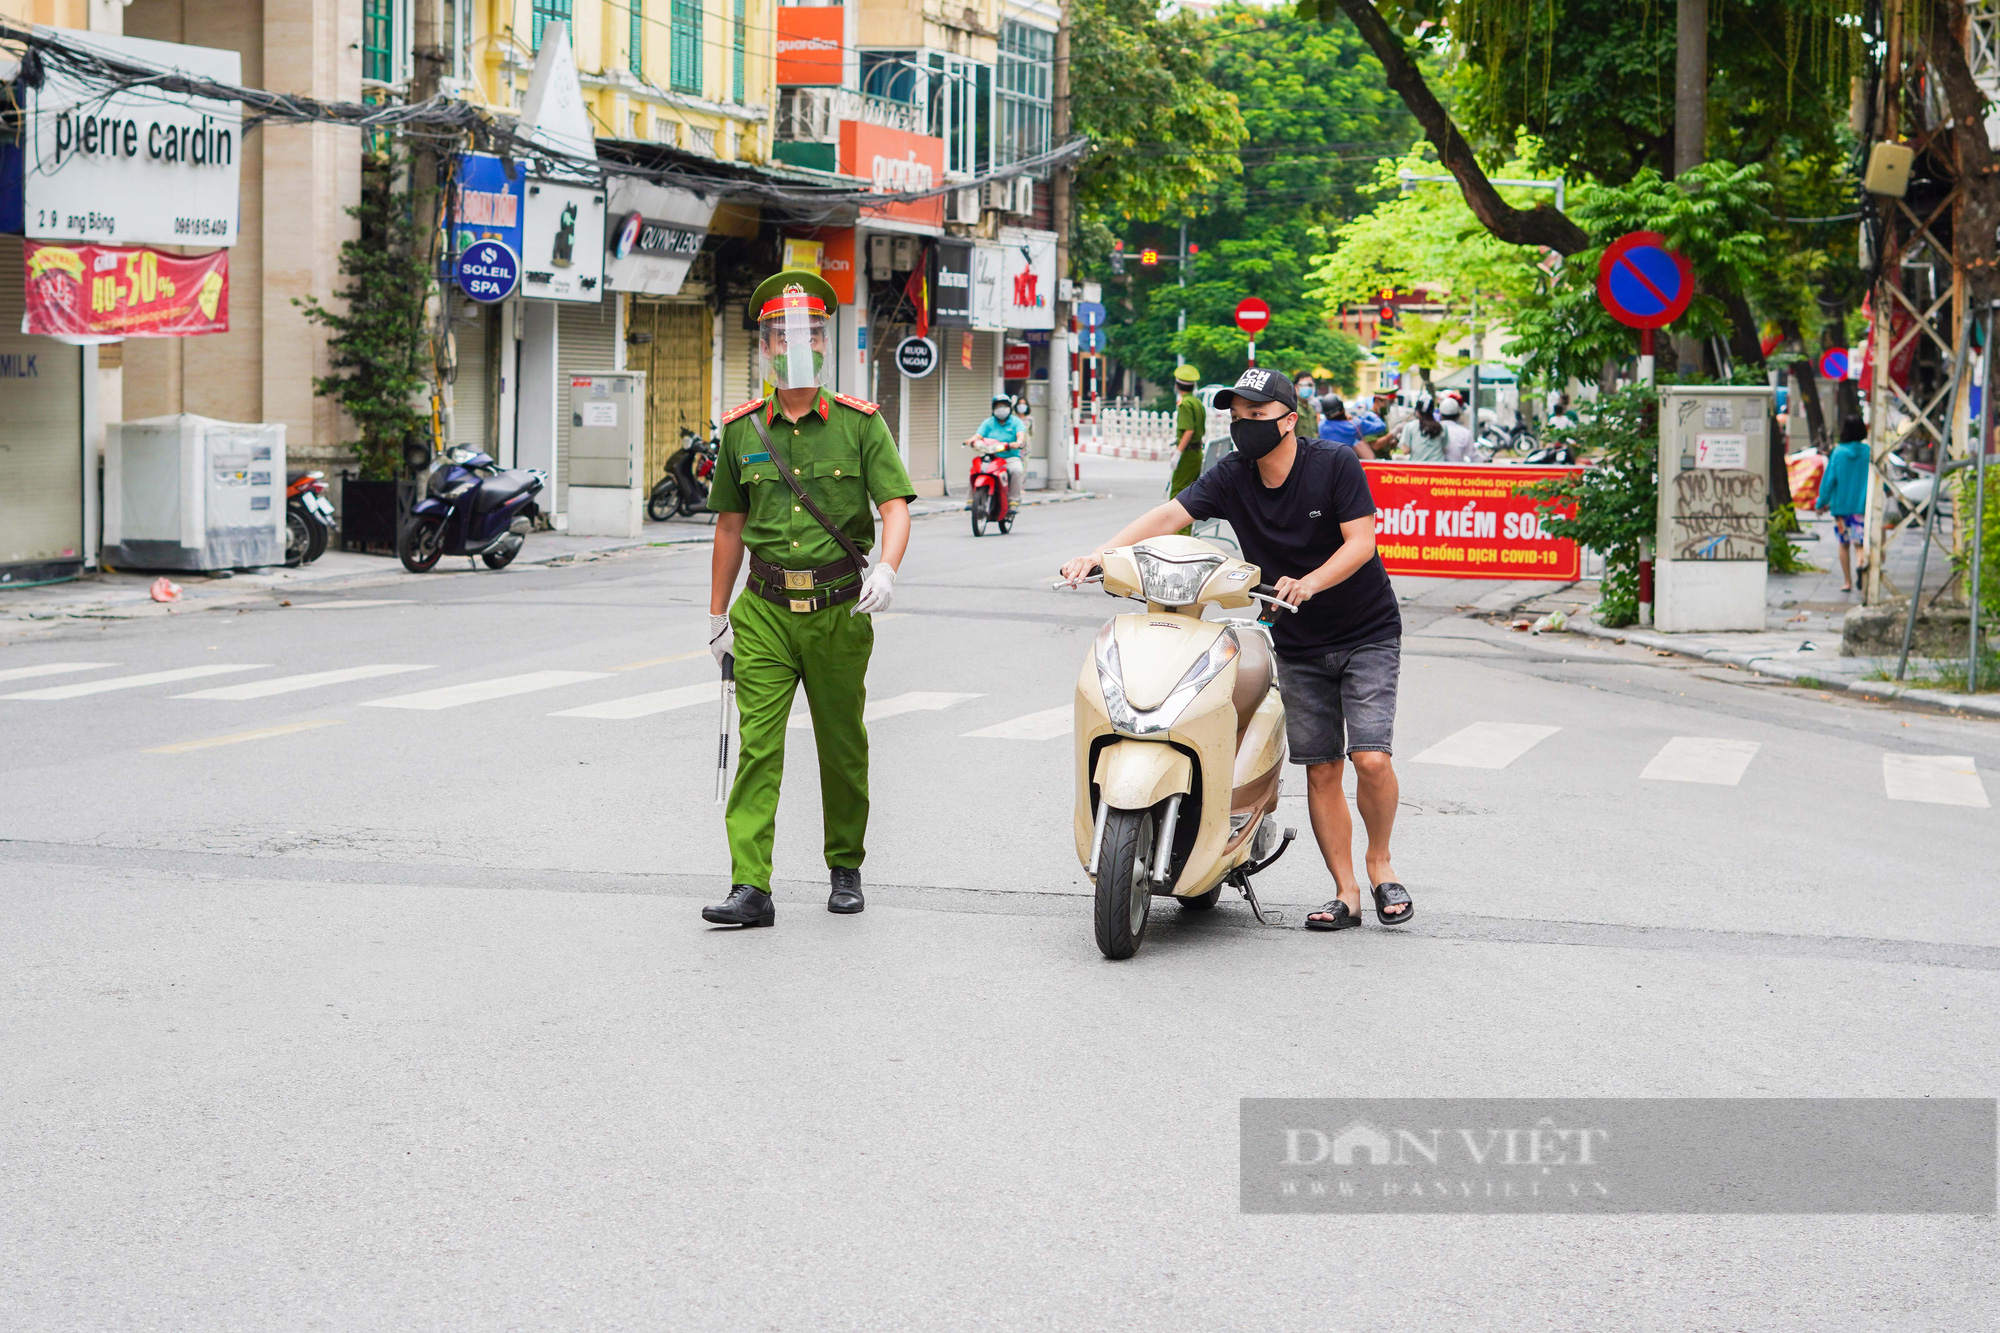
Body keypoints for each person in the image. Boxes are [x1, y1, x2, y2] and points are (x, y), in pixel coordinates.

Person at [1058, 368, 1412, 932]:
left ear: (1289, 420)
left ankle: (1380, 862)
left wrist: (1311, 582)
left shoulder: (1333, 465)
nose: (1243, 426)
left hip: (1364, 631)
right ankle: (1346, 894)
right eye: (1236, 416)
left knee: (1369, 758)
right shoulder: (1233, 473)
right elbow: (1171, 517)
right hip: (1296, 638)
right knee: (1320, 771)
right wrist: (1099, 554)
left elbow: (1362, 542)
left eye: (1256, 416)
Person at [702, 269, 918, 927]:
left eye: (807, 333)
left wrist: (886, 568)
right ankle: (751, 886)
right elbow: (730, 528)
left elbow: (894, 507)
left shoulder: (859, 425)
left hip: (837, 612)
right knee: (757, 748)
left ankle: (845, 864)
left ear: (825, 344)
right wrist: (717, 617)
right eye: (780, 334)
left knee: (841, 745)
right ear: (765, 347)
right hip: (764, 609)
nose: (794, 345)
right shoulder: (742, 430)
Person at [1816, 415, 1872, 593]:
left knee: (1844, 544)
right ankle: (1860, 565)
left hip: (1841, 509)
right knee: (1860, 543)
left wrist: (1821, 502)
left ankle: (1847, 582)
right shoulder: (1868, 452)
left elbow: (1829, 480)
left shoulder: (1838, 452)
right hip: (1862, 508)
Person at [967, 395, 1024, 505]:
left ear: (1009, 408)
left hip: (1010, 457)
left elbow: (1020, 435)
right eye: (998, 406)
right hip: (991, 457)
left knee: (1016, 470)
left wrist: (1018, 443)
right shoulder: (988, 422)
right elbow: (978, 435)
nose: (1001, 408)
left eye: (1004, 406)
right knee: (975, 469)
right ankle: (971, 500)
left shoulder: (1016, 422)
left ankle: (1013, 500)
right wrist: (971, 440)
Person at [1168, 364, 1206, 502]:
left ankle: (1179, 525)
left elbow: (1189, 431)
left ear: (1177, 385)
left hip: (1187, 453)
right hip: (1197, 452)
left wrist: (1178, 452)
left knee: (1178, 493)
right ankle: (1187, 525)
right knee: (1190, 494)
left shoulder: (1184, 404)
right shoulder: (1197, 402)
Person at [1437, 394, 1476, 462]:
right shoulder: (1465, 433)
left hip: (1434, 470)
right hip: (1457, 470)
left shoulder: (1433, 430)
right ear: (1458, 415)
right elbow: (1474, 456)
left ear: (1440, 414)